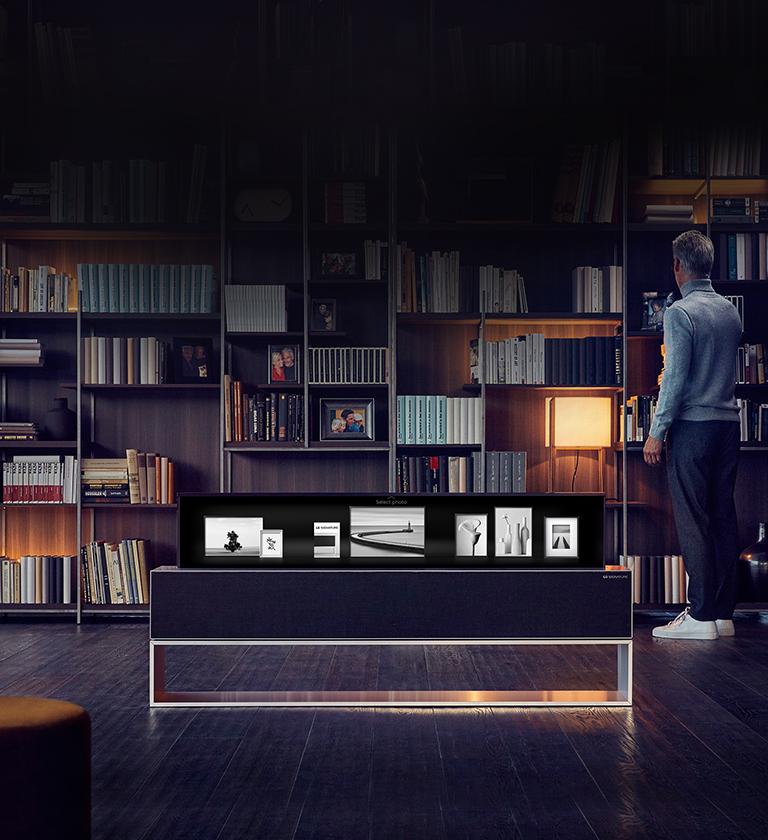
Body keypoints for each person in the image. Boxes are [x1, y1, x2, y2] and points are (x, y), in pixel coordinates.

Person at [643, 230, 743, 641]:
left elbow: (676, 381)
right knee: (722, 517)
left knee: (693, 518)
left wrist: (656, 431)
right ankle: (721, 613)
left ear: (678, 266)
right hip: (728, 426)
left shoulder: (680, 313)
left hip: (694, 430)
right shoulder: (730, 312)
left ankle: (700, 617)